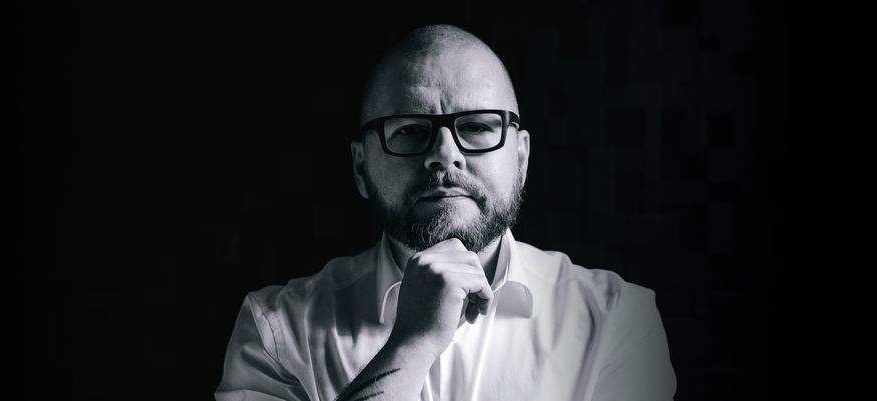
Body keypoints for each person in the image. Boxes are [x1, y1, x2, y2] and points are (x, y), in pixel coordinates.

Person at [216, 24, 677, 401]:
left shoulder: (617, 320)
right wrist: (412, 344)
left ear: (520, 159)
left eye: (475, 126)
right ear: (360, 167)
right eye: (409, 130)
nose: (444, 154)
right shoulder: (278, 331)